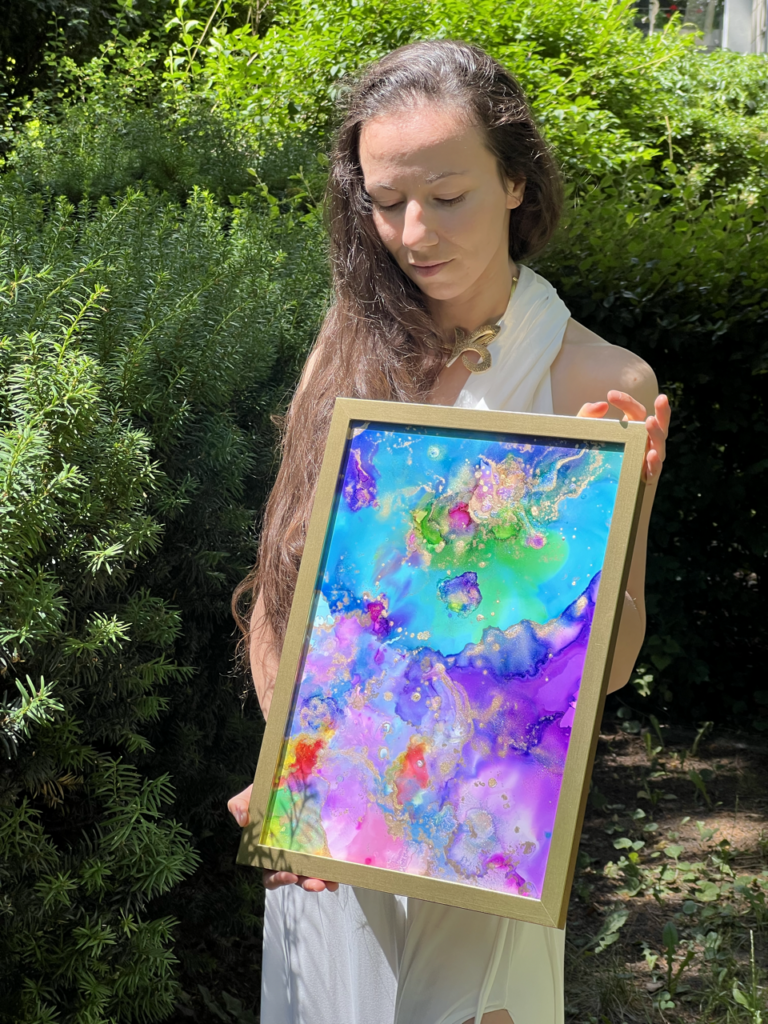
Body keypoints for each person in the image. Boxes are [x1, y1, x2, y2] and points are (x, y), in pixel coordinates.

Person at [228, 39, 670, 1024]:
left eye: (447, 195)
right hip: (338, 831)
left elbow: (605, 668)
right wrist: (293, 776)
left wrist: (617, 513)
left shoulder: (602, 383)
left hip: (481, 841)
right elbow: (282, 589)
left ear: (515, 181)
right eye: (386, 202)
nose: (414, 232)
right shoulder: (347, 354)